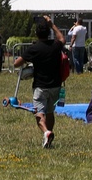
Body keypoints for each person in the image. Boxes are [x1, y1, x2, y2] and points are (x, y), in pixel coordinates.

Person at [14, 16, 65, 148]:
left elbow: (16, 63)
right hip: (55, 85)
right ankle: (49, 136)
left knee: (39, 113)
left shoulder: (34, 48)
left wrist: (27, 60)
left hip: (40, 86)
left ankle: (46, 132)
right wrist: (52, 24)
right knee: (50, 112)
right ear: (48, 33)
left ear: (36, 33)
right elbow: (62, 39)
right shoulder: (55, 45)